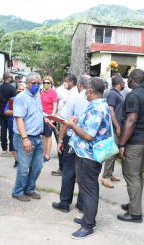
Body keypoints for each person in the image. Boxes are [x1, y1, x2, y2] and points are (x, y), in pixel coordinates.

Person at [63, 77, 111, 239]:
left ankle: (88, 226)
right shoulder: (98, 105)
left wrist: (72, 126)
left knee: (89, 190)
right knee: (88, 188)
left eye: (86, 89)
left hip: (88, 156)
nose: (84, 92)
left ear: (90, 90)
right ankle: (88, 219)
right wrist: (78, 121)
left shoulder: (97, 108)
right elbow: (91, 127)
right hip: (87, 154)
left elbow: (89, 136)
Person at [117, 69, 144, 223]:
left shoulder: (133, 95)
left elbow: (131, 121)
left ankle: (135, 214)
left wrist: (122, 143)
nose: (126, 81)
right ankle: (134, 205)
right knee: (138, 175)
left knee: (131, 176)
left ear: (131, 79)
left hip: (135, 142)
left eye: (128, 79)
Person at [52, 74, 89, 214]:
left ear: (79, 85)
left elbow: (64, 122)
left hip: (73, 139)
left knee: (69, 171)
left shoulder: (75, 97)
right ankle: (81, 205)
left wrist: (60, 141)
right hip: (88, 140)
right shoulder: (98, 99)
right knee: (84, 174)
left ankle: (65, 203)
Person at [11, 72, 45, 202]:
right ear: (27, 84)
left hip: (37, 137)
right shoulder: (21, 97)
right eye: (33, 83)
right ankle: (18, 191)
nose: (36, 86)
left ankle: (30, 189)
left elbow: (37, 114)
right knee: (24, 167)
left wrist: (46, 120)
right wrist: (25, 139)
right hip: (25, 138)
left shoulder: (37, 97)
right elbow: (19, 120)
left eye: (38, 83)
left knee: (38, 166)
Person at [50, 73, 78, 176]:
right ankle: (62, 168)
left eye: (65, 81)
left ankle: (66, 171)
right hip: (62, 120)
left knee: (63, 146)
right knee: (63, 148)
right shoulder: (64, 91)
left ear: (71, 82)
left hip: (68, 125)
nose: (64, 83)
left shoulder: (74, 94)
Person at [100, 74, 125, 188]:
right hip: (114, 128)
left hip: (117, 127)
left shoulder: (116, 94)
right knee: (111, 152)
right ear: (120, 83)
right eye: (123, 82)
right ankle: (105, 177)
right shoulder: (113, 94)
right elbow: (111, 110)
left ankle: (110, 174)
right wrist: (117, 126)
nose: (124, 84)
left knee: (114, 152)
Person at [4, 83, 25, 168]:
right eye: (19, 89)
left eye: (23, 89)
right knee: (14, 142)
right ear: (17, 90)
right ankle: (16, 161)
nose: (21, 91)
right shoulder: (12, 99)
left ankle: (24, 160)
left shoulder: (28, 99)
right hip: (12, 122)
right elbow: (6, 111)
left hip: (25, 124)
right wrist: (17, 113)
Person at [0, 72, 17, 155]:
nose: (12, 79)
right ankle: (11, 148)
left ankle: (4, 148)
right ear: (8, 78)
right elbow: (14, 100)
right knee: (11, 130)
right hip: (9, 111)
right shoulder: (12, 88)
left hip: (1, 110)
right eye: (11, 77)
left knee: (3, 130)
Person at [40, 76, 58, 162]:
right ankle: (44, 154)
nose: (46, 84)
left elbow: (55, 106)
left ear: (51, 84)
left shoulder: (53, 93)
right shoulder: (43, 93)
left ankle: (47, 156)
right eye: (44, 83)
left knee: (48, 136)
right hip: (42, 116)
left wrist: (52, 118)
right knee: (43, 136)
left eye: (48, 83)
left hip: (49, 116)